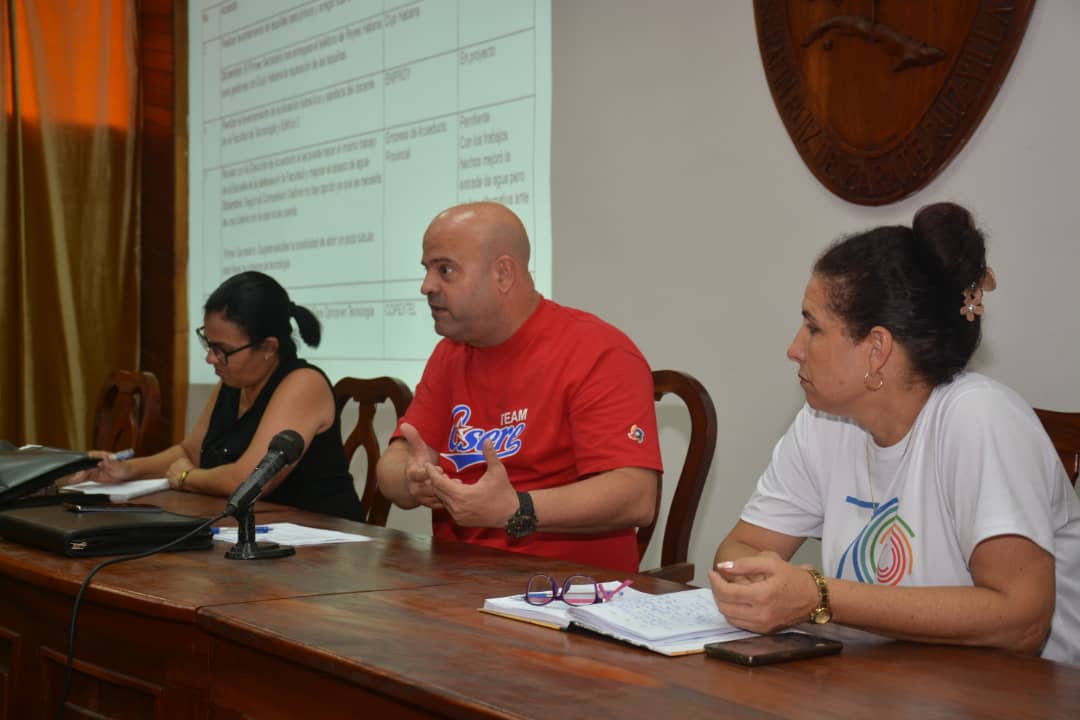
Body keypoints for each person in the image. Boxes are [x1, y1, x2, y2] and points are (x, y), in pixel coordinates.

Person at [709, 202, 1080, 665]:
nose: (793, 348)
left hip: (1024, 697)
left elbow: (1021, 619)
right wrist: (758, 585)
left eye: (813, 328)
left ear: (877, 349)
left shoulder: (980, 417)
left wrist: (819, 596)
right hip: (891, 683)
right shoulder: (824, 421)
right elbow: (739, 549)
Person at [375, 202, 661, 572]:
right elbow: (394, 464)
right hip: (457, 585)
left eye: (445, 269)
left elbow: (635, 498)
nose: (426, 286)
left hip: (567, 594)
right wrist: (411, 479)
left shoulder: (598, 351)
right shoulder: (451, 353)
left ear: (503, 274)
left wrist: (516, 508)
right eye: (427, 270)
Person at [72, 271, 364, 520]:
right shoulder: (233, 382)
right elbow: (190, 452)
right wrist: (127, 470)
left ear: (269, 348)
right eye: (208, 344)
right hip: (255, 536)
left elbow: (247, 480)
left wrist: (186, 478)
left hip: (322, 544)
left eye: (222, 350)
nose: (211, 359)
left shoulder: (303, 384)